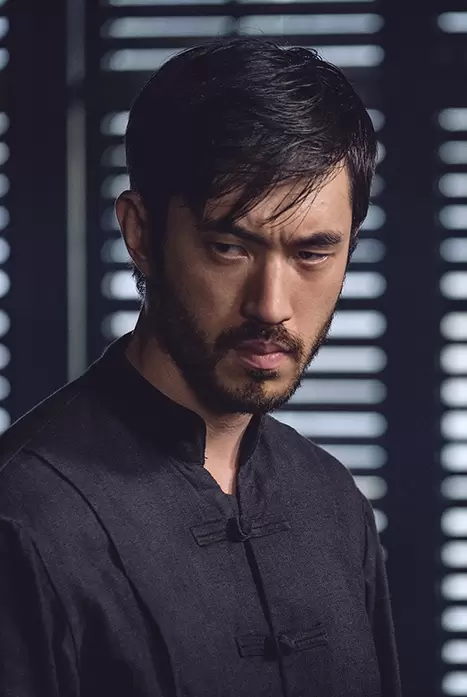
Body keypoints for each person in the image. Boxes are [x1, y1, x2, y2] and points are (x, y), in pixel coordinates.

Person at [0, 37, 401, 697]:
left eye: (312, 253)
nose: (271, 305)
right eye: (228, 247)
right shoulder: (24, 517)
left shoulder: (334, 503)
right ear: (140, 232)